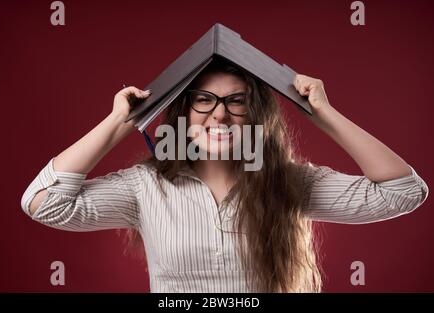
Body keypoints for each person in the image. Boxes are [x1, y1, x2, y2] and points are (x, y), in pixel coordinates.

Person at [21, 60, 429, 293]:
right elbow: (45, 204)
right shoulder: (144, 187)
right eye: (203, 100)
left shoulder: (291, 182)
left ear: (258, 117)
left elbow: (404, 192)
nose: (219, 113)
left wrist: (323, 114)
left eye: (237, 101)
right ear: (182, 113)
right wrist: (119, 123)